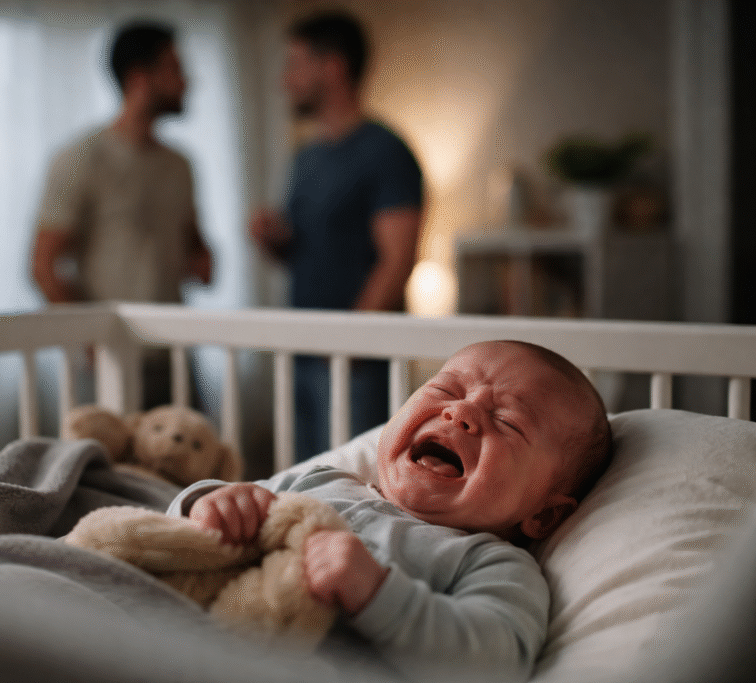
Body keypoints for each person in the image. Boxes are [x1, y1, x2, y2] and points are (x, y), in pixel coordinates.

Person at [169, 340, 613, 680]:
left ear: (545, 516)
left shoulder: (489, 562)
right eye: (445, 389)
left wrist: (378, 594)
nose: (461, 411)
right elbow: (175, 527)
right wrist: (208, 503)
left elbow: (495, 662)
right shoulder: (321, 481)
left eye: (510, 422)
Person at [250, 11, 424, 462]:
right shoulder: (306, 157)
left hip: (356, 362)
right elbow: (305, 254)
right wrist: (274, 240)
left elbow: (397, 260)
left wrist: (349, 345)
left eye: (295, 64)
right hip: (303, 351)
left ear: (333, 67)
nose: (285, 79)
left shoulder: (385, 152)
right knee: (303, 482)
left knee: (356, 484)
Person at [32, 21, 212, 408]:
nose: (188, 81)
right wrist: (91, 338)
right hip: (114, 358)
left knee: (197, 466)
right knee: (111, 467)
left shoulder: (180, 165)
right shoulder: (81, 159)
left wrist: (203, 258)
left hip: (176, 354)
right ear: (139, 77)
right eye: (175, 68)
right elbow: (44, 264)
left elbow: (198, 254)